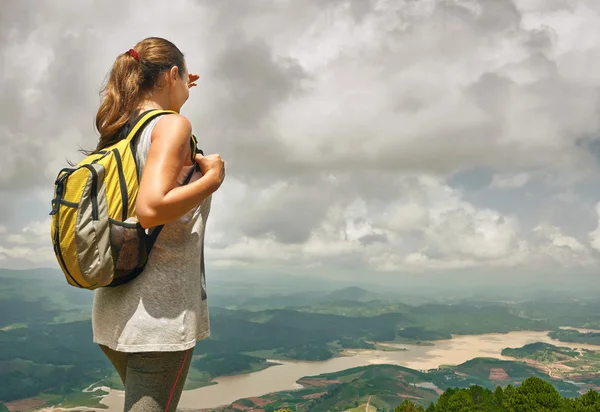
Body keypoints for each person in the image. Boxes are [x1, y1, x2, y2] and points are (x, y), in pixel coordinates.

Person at [90, 37, 225, 412]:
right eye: (182, 77)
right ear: (170, 74)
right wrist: (212, 179)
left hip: (115, 309)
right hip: (158, 320)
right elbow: (150, 210)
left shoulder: (122, 128)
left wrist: (174, 85)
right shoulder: (172, 127)